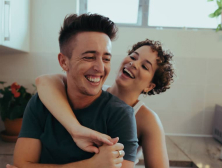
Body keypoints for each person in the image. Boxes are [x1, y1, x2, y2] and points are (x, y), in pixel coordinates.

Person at [11, 13, 139, 168]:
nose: (100, 68)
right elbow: (21, 163)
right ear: (64, 62)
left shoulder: (120, 114)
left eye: (106, 59)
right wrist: (92, 165)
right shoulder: (41, 103)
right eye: (89, 57)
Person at [33, 39, 175, 168]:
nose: (134, 63)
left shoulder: (148, 120)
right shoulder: (90, 88)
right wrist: (75, 129)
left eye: (145, 67)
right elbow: (44, 81)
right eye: (133, 57)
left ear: (149, 86)